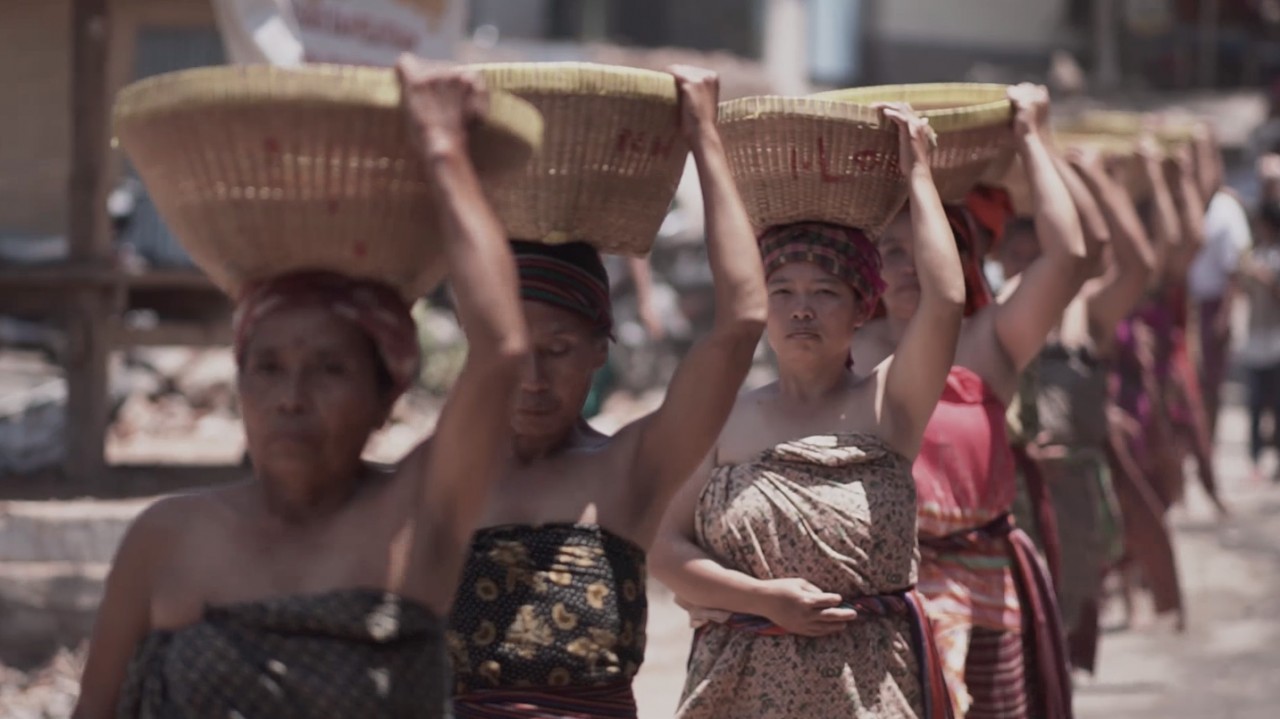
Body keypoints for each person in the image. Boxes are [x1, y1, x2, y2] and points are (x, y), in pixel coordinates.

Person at [73, 61, 530, 719]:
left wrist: (442, 150)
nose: (292, 395)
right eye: (268, 367)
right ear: (240, 384)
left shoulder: (417, 515)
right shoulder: (166, 538)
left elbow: (502, 350)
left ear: (386, 396)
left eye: (329, 369)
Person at [445, 66, 768, 718]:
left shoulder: (630, 469)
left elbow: (741, 325)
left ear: (601, 348)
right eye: (512, 351)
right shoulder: (439, 472)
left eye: (559, 350)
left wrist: (703, 137)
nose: (533, 378)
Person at [650, 104, 964, 719]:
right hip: (739, 692)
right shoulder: (721, 419)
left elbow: (946, 300)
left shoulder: (889, 404)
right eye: (782, 292)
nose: (801, 310)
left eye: (825, 292)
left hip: (870, 690)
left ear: (861, 309)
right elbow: (662, 548)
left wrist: (919, 177)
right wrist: (763, 599)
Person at [855, 84, 1086, 719]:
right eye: (892, 252)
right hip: (885, 588)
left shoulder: (991, 340)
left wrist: (1032, 139)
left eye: (930, 249)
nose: (910, 267)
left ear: (966, 262)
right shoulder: (851, 348)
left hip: (984, 584)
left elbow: (1069, 257)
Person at [998, 144, 1157, 673]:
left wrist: (1089, 176)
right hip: (1007, 503)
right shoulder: (985, 321)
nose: (1022, 269)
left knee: (1059, 642)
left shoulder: (1084, 311)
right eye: (1012, 256)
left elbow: (1137, 263)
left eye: (1035, 256)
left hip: (1074, 507)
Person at [1187, 129, 1251, 441]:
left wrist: (1224, 316)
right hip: (1183, 305)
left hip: (1212, 306)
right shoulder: (1182, 202)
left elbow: (1234, 271)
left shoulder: (1226, 209)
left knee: (1209, 384)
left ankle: (1207, 443)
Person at [1238, 185, 1280, 482]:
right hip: (1255, 339)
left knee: (1276, 407)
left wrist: (1264, 278)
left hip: (1276, 340)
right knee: (1254, 405)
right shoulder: (1255, 254)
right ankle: (1254, 461)